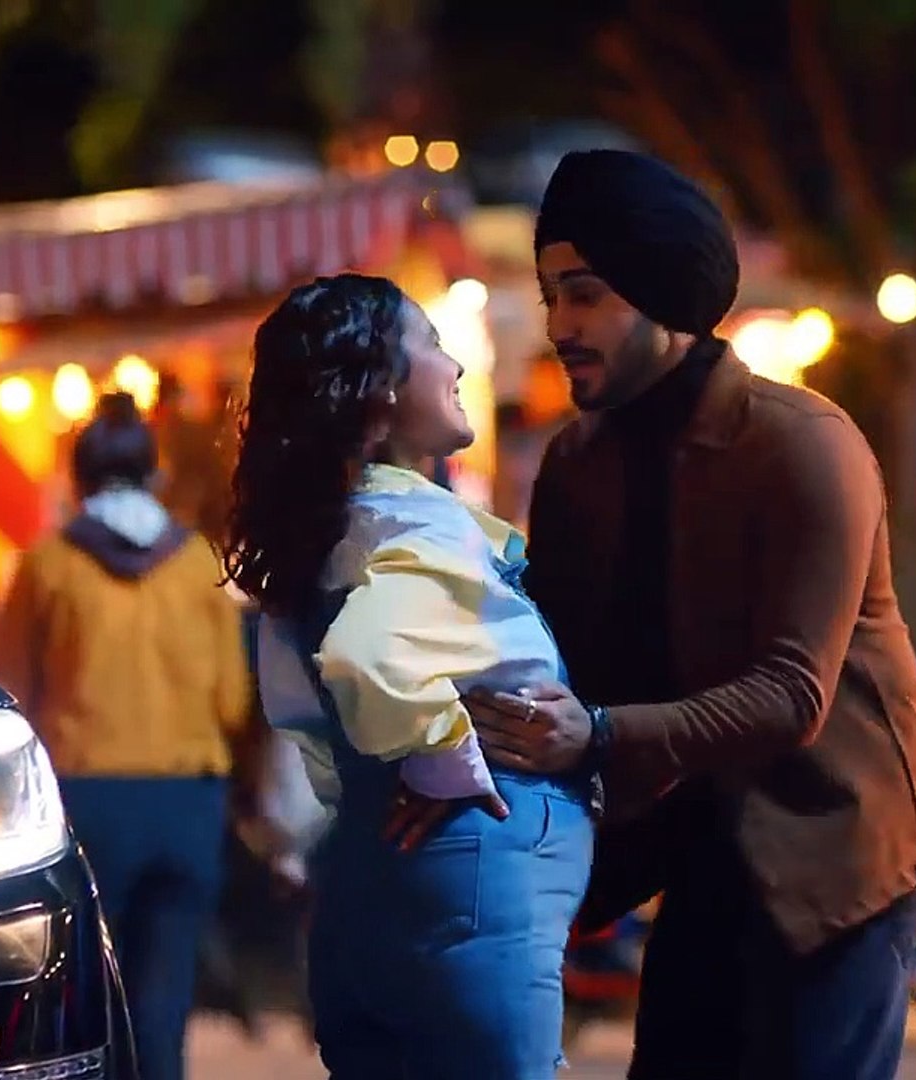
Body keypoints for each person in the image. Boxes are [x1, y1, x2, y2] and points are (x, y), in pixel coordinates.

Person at [469, 148, 916, 1080]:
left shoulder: (804, 444)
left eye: (587, 295)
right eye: (551, 297)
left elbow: (790, 694)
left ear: (663, 296)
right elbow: (565, 665)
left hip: (842, 845)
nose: (560, 326)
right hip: (700, 837)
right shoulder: (574, 468)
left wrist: (596, 734)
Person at [221, 273, 594, 1080]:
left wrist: (376, 779)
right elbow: (367, 655)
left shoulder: (327, 534)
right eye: (432, 344)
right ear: (381, 388)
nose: (455, 365)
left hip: (364, 897)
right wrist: (443, 757)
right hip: (469, 897)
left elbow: (303, 710)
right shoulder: (413, 524)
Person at [0, 392, 251, 1080]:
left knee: (86, 1005)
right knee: (163, 1004)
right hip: (187, 804)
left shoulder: (48, 564)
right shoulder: (198, 564)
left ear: (78, 478)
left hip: (86, 805)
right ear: (153, 473)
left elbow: (11, 694)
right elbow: (232, 702)